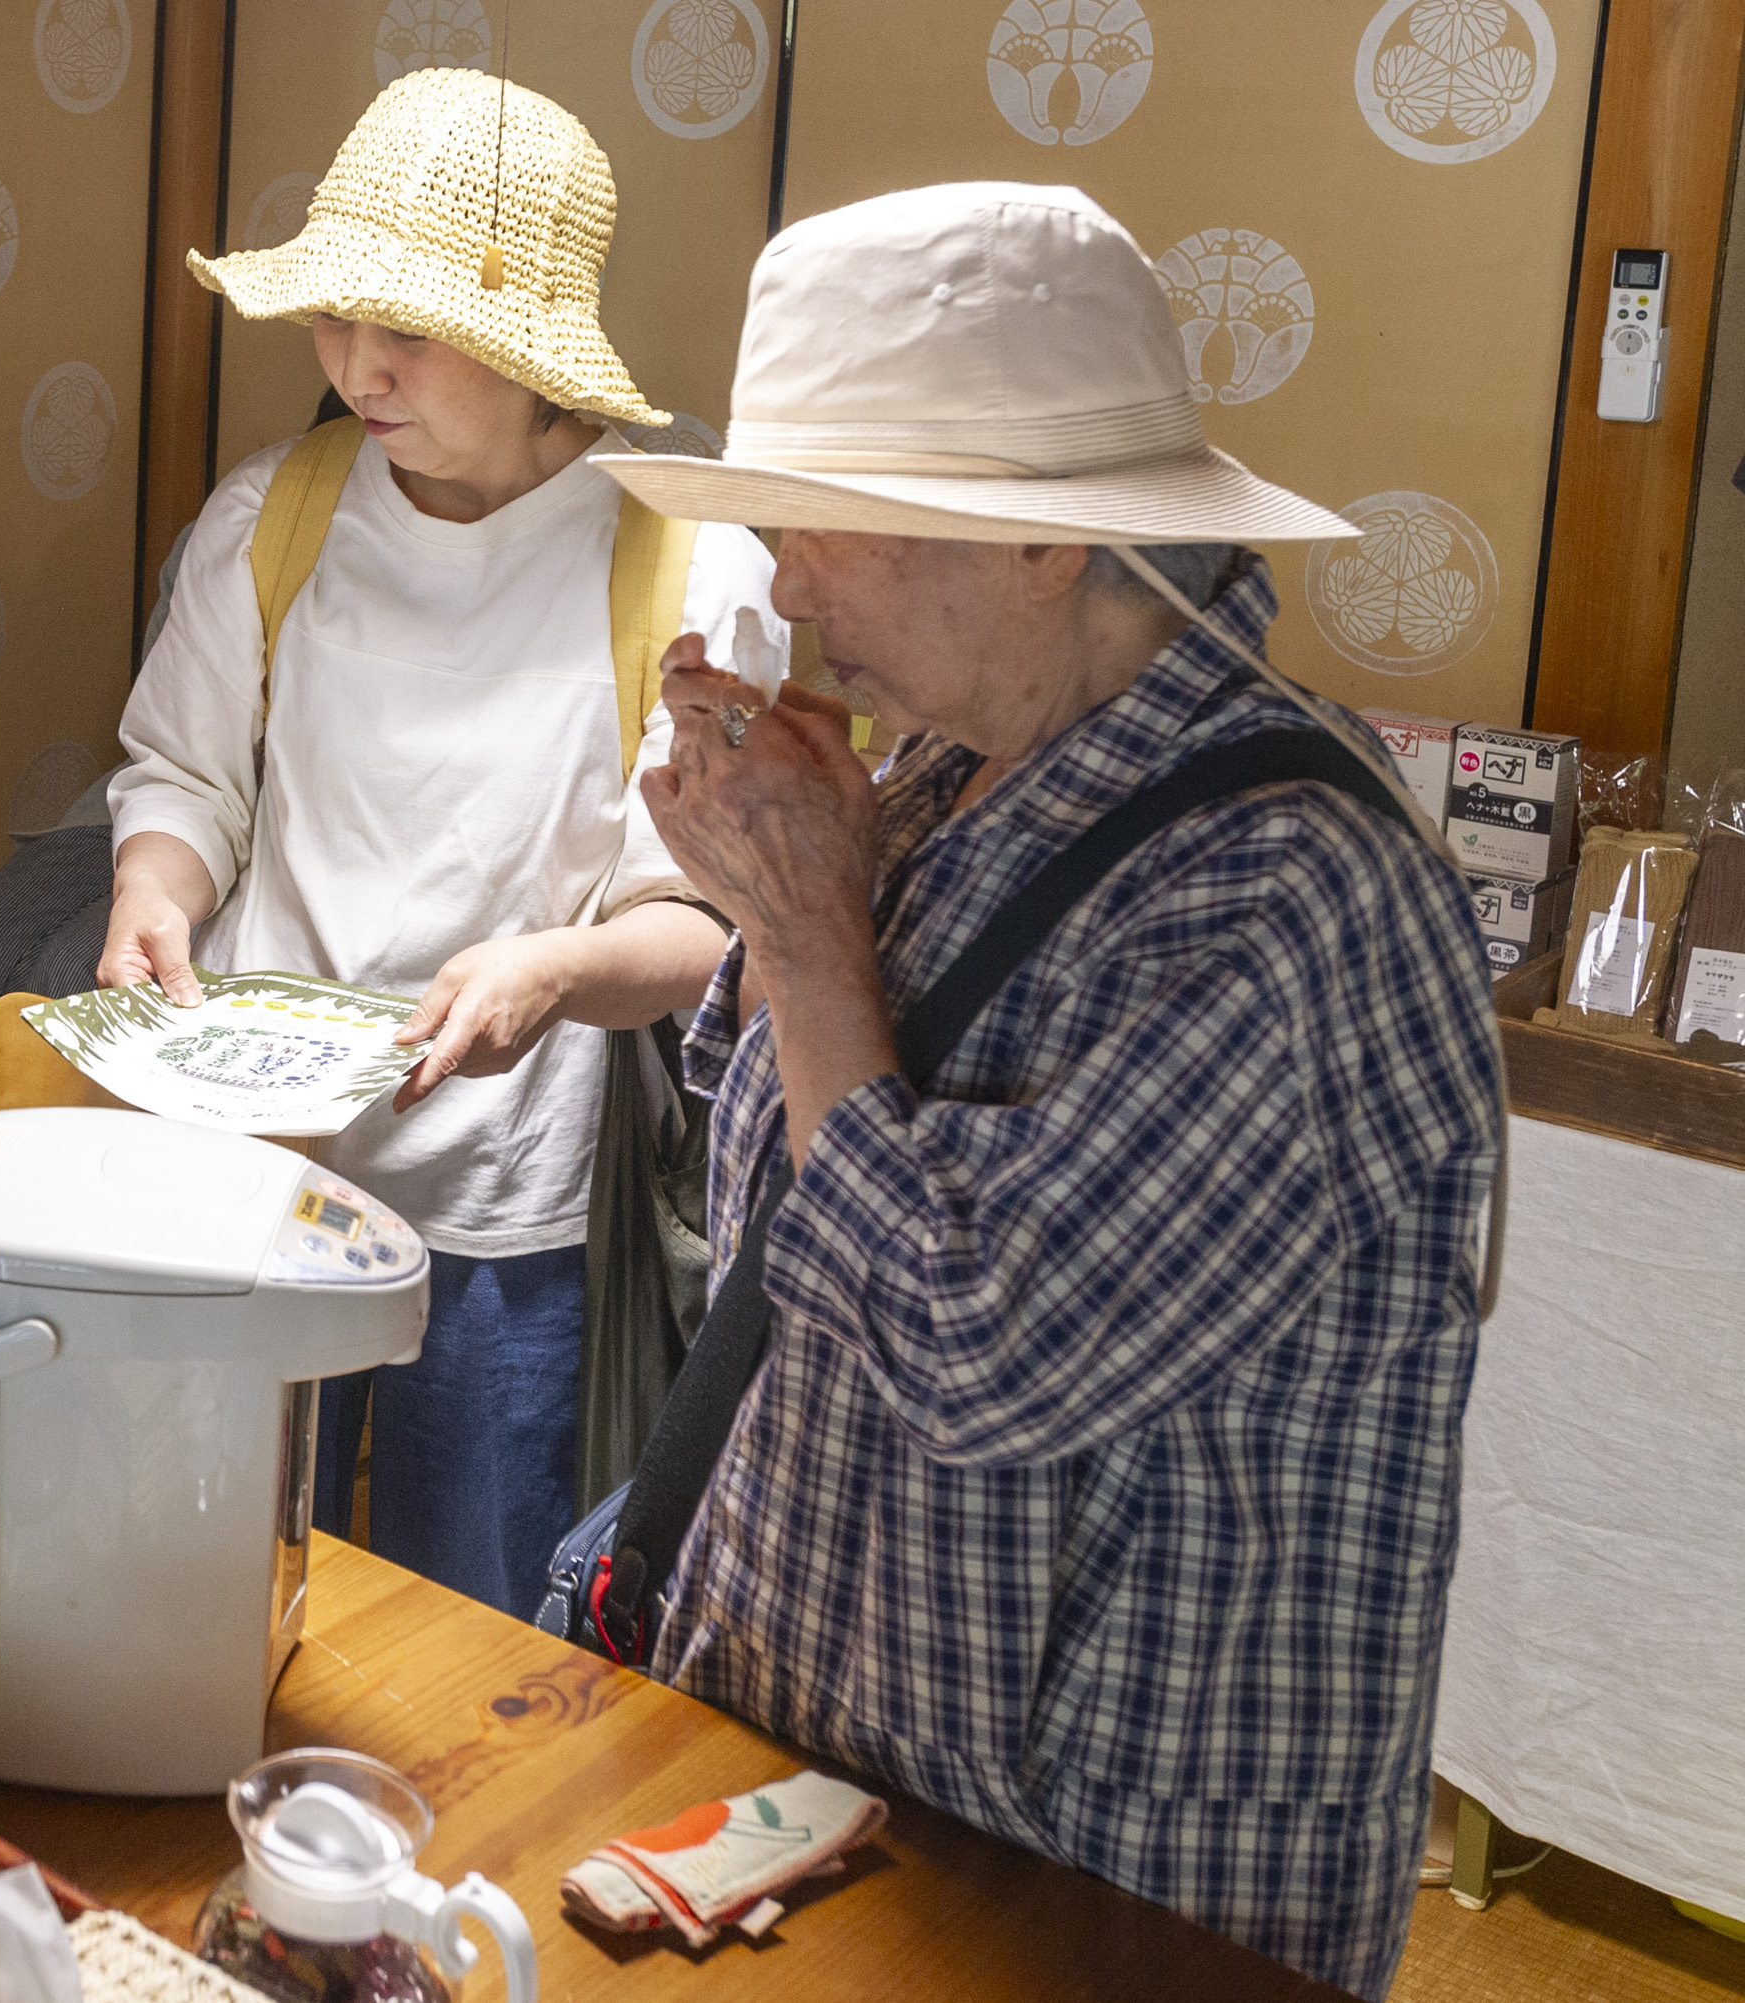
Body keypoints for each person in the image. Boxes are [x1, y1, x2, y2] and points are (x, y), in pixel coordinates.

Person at [595, 184, 1502, 1997]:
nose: (784, 586)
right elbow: (792, 1169)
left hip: (1094, 1888)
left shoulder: (1293, 886)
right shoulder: (961, 765)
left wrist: (808, 927)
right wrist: (773, 893)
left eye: (827, 527)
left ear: (1043, 539)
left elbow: (974, 1346)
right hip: (825, 1772)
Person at [104, 68, 789, 1620]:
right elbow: (186, 777)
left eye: (408, 327)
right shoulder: (275, 515)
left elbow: (708, 924)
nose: (358, 364)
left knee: (464, 1624)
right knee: (202, 1585)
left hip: (504, 1193)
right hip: (256, 1160)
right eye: (338, 315)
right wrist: (155, 883)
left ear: (538, 345)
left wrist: (558, 970)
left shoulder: (685, 560)